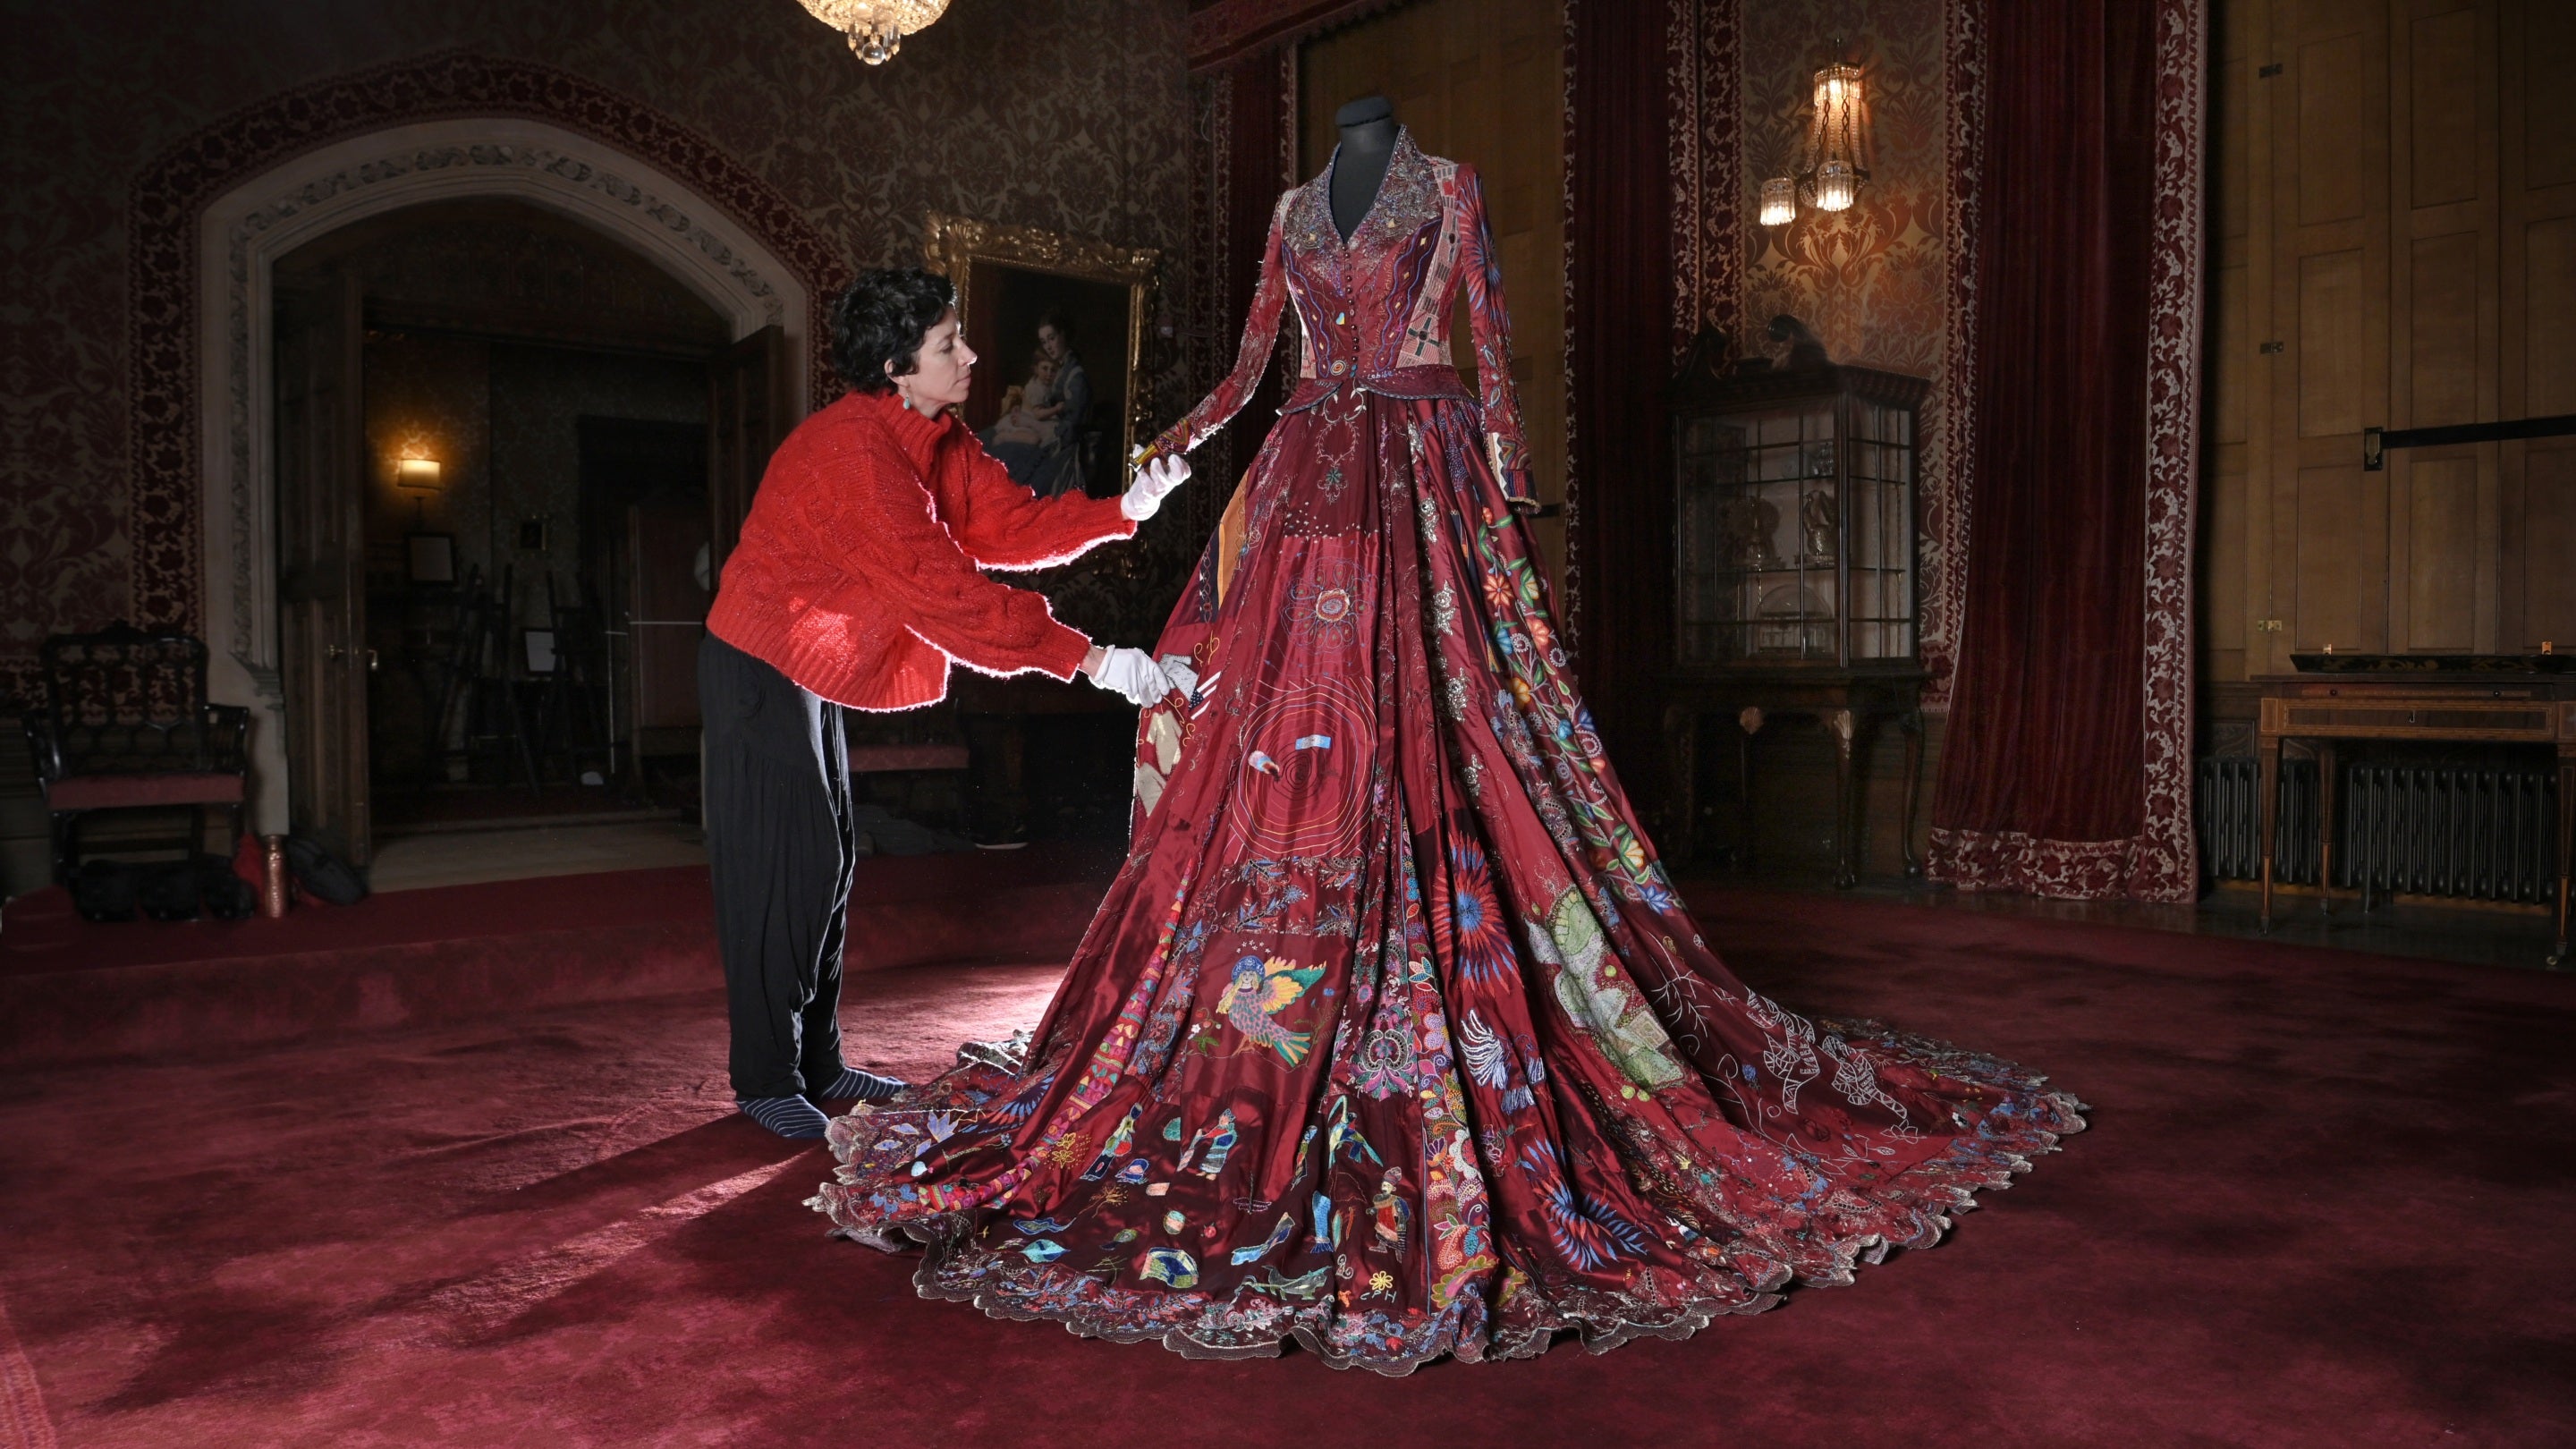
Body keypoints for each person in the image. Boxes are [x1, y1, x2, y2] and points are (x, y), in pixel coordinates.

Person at [810, 115, 2083, 1369]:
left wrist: (1506, 479)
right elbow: (1257, 363)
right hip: (1307, 475)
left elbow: (1489, 345)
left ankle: (1444, 950)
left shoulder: (1457, 187)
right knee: (1279, 755)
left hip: (1423, 470)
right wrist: (1169, 460)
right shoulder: (1294, 210)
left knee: (1452, 726)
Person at [699, 267, 1191, 1140]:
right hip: (754, 661)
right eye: (946, 345)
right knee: (788, 868)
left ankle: (818, 1064)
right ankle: (765, 1079)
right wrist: (1096, 661)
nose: (969, 356)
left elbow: (1006, 528)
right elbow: (946, 595)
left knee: (834, 859)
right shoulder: (856, 454)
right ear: (895, 364)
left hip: (801, 661)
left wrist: (1125, 508)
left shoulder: (936, 434)